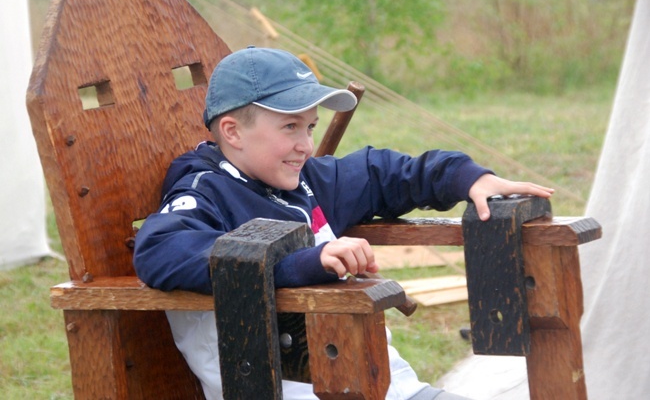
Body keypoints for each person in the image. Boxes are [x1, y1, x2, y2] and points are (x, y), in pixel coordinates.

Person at [133, 46, 554, 400]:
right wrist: (301, 263)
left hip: (382, 385)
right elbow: (160, 249)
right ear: (233, 132)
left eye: (311, 126)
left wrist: (467, 178)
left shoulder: (308, 181)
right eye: (290, 126)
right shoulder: (204, 193)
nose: (306, 144)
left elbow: (382, 171)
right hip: (281, 389)